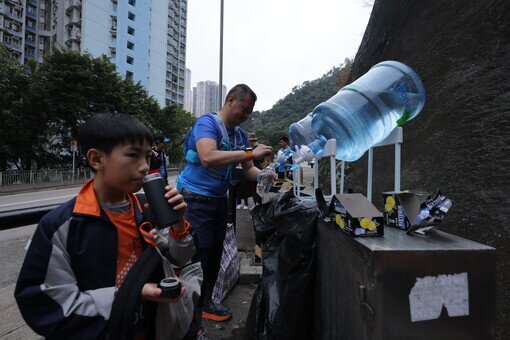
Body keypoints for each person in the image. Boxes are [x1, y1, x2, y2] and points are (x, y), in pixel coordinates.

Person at [15, 113, 194, 339]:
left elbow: (180, 259)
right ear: (97, 159)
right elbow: (42, 303)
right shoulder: (64, 225)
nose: (144, 167)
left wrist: (178, 224)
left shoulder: (147, 209)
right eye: (133, 155)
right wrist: (131, 295)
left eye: (147, 156)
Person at [177, 84, 273, 339]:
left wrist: (264, 174)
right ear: (231, 100)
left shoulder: (240, 135)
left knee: (215, 257)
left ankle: (207, 304)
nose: (246, 115)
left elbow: (248, 169)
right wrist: (252, 151)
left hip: (219, 200)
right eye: (244, 109)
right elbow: (207, 156)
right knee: (198, 259)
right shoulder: (207, 124)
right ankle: (192, 325)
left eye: (250, 112)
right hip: (195, 199)